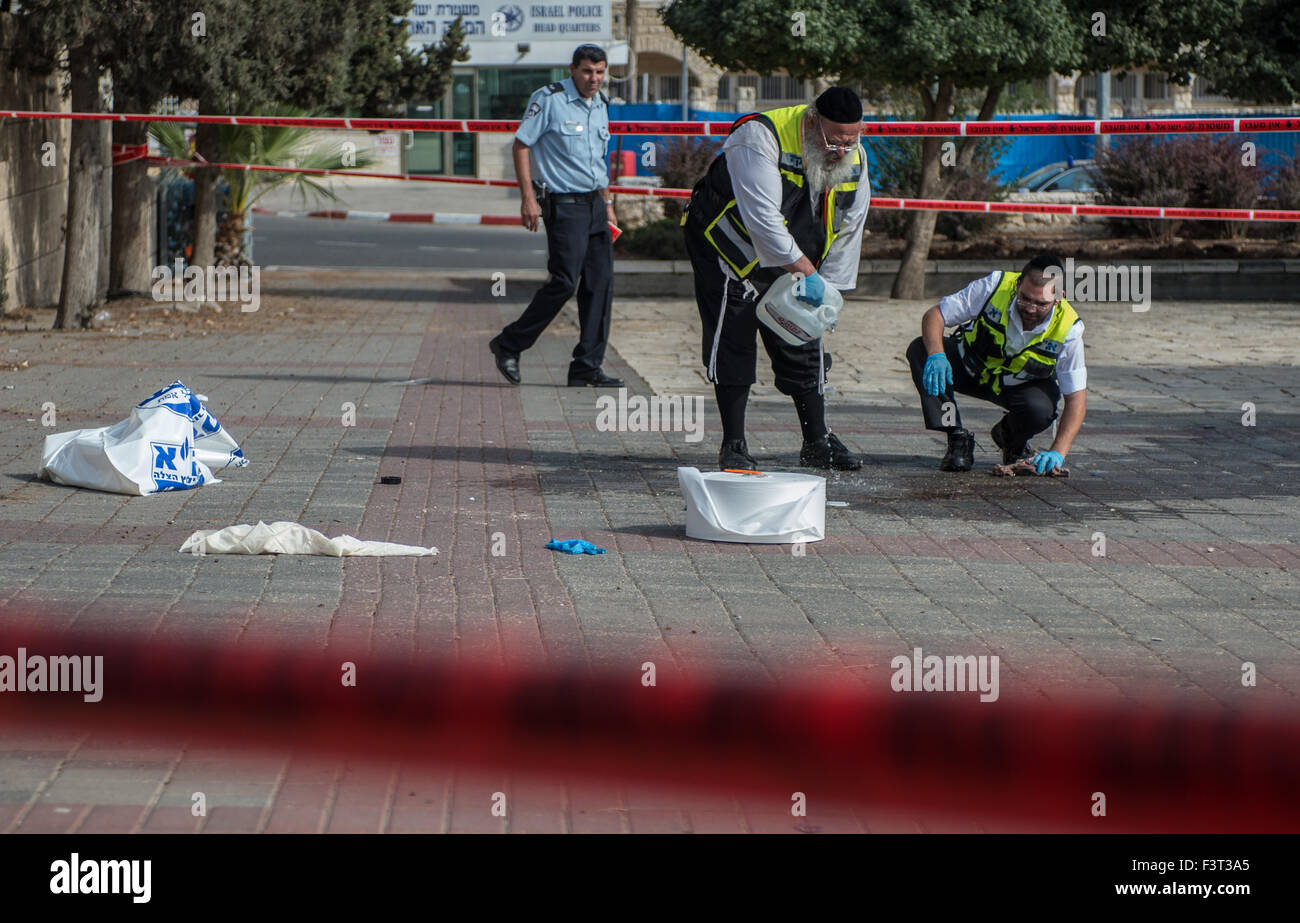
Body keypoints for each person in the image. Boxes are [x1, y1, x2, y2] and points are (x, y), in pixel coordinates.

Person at [681, 86, 871, 471]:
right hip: (729, 241)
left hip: (797, 253)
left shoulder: (855, 156)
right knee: (735, 332)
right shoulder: (758, 136)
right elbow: (762, 221)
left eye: (849, 141)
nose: (840, 150)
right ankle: (733, 443)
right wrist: (806, 272)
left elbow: (850, 224)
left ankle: (817, 441)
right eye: (833, 140)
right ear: (812, 121)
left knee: (803, 337)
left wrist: (828, 291)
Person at [488, 44, 624, 388]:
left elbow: (599, 160)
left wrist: (608, 206)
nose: (594, 79)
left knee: (600, 285)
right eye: (587, 71)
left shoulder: (602, 104)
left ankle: (586, 366)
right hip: (563, 204)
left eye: (600, 72)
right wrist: (528, 198)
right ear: (573, 69)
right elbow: (521, 145)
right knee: (564, 282)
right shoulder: (549, 99)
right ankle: (509, 343)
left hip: (595, 204)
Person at [906, 252, 1088, 473]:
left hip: (1017, 387)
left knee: (1041, 409)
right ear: (1018, 284)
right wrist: (937, 355)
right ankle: (956, 436)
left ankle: (1011, 439)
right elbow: (936, 315)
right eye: (1025, 298)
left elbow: (1076, 399)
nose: (1030, 309)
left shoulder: (1069, 329)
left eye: (1041, 304)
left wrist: (1058, 451)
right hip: (969, 367)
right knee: (921, 350)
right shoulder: (994, 286)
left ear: (1059, 297)